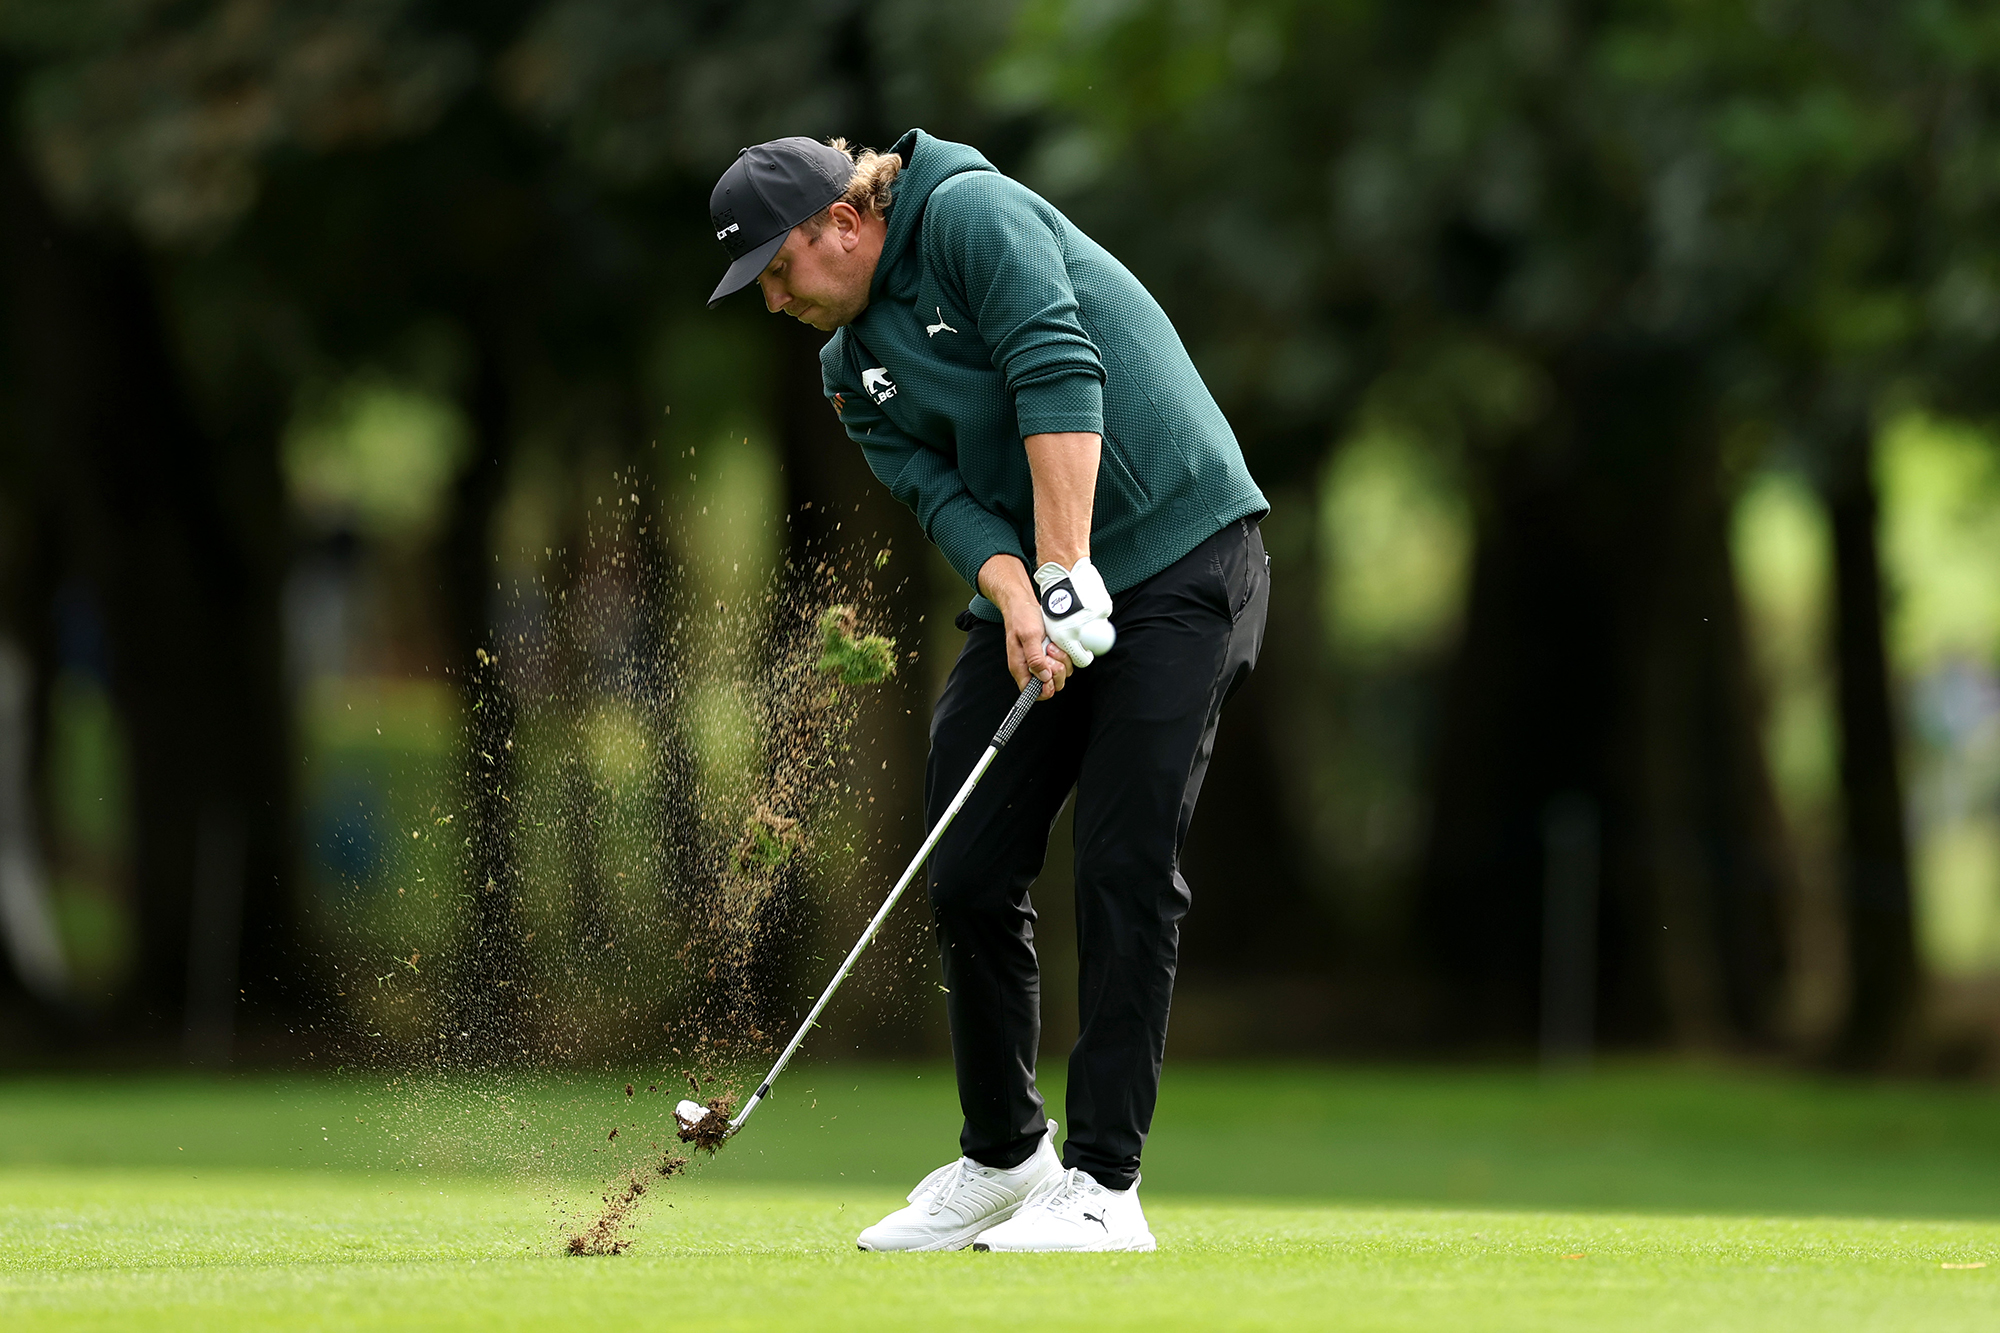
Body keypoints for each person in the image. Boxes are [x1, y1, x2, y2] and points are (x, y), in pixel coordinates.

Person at [707, 130, 1268, 1253]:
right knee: (965, 861)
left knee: (1120, 861)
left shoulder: (968, 213)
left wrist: (1064, 567)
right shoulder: (842, 368)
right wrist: (1020, 592)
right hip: (1050, 588)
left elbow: (1057, 368)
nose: (774, 302)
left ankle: (1106, 1186)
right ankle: (1006, 1154)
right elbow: (940, 494)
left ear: (844, 224)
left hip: (1184, 554)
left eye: (778, 269)